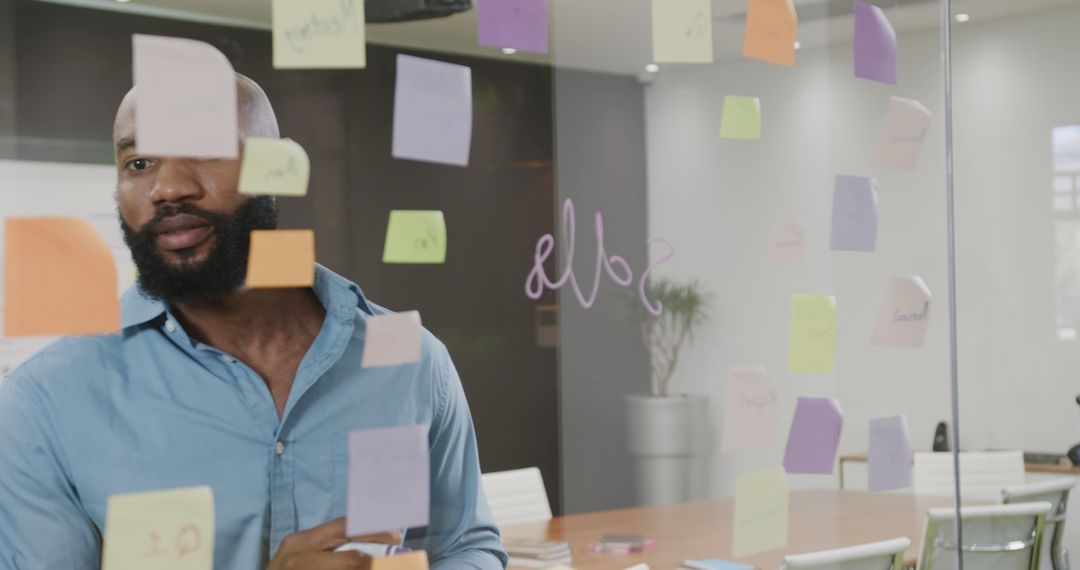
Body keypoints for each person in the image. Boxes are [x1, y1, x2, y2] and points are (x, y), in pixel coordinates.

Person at [0, 74, 507, 570]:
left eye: (203, 152)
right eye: (138, 162)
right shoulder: (46, 401)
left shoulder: (410, 361)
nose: (168, 187)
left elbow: (466, 544)